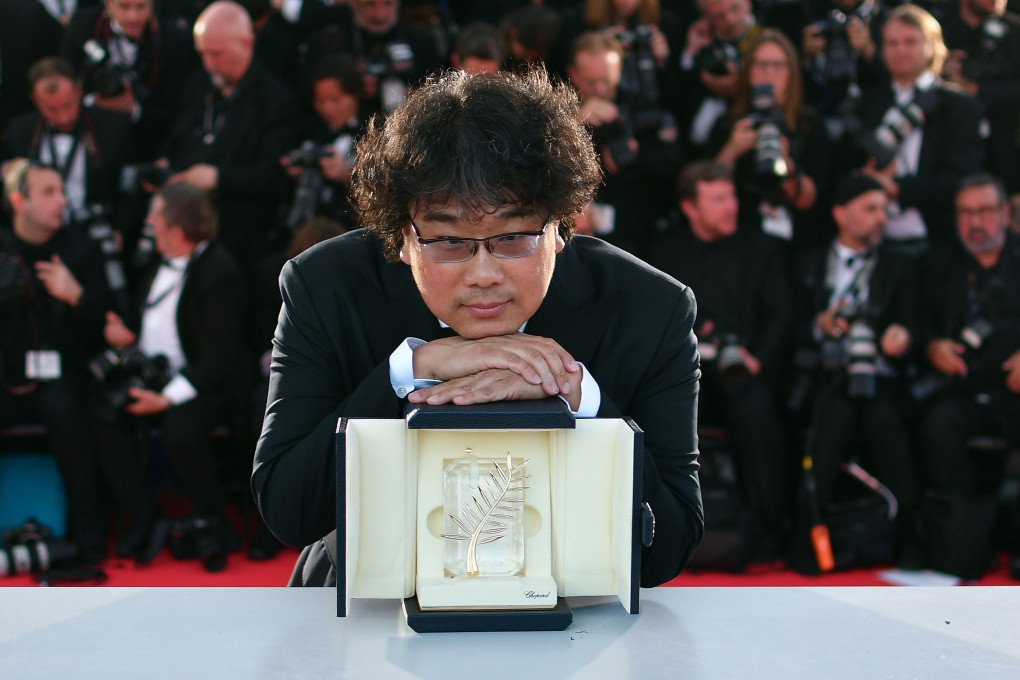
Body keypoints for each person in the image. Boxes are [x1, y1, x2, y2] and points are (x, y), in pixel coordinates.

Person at [253, 67, 704, 588]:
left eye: (513, 238)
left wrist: (582, 399)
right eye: (449, 242)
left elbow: (668, 548)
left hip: (570, 602)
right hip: (365, 595)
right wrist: (410, 368)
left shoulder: (650, 309)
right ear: (403, 236)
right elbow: (288, 510)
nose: (483, 274)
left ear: (561, 226)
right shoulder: (325, 286)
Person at [94, 182, 250, 569]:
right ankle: (142, 513)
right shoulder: (154, 263)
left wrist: (166, 398)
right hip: (155, 376)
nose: (148, 223)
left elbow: (220, 358)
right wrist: (124, 336)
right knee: (102, 413)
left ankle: (211, 515)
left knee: (180, 429)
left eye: (156, 217)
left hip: (208, 382)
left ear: (177, 231)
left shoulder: (220, 270)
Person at [645, 161, 793, 559]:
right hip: (684, 373)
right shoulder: (664, 254)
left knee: (757, 409)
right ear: (690, 208)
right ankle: (667, 532)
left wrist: (758, 358)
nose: (731, 207)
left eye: (731, 197)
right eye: (718, 199)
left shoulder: (762, 249)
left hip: (745, 372)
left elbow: (782, 314)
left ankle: (768, 528)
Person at [791, 173, 924, 569]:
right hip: (824, 377)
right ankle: (810, 541)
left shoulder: (901, 266)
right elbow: (786, 324)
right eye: (870, 209)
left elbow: (915, 322)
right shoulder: (808, 262)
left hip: (881, 377)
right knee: (830, 420)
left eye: (885, 209)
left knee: (885, 420)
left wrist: (902, 337)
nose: (881, 218)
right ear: (840, 213)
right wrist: (820, 324)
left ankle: (908, 538)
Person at [0, 159, 114, 564]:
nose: (61, 201)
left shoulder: (79, 247)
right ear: (19, 201)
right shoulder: (4, 248)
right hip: (7, 378)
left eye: (62, 191)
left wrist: (75, 297)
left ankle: (89, 542)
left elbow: (108, 325)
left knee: (67, 412)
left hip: (63, 375)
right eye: (48, 193)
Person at [916, 173, 1020, 577]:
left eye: (984, 212)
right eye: (965, 213)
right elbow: (919, 323)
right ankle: (964, 543)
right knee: (937, 427)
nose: (975, 222)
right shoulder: (939, 263)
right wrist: (933, 346)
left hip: (1013, 389)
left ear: (1004, 213)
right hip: (962, 389)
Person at [157, 0, 299, 268]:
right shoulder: (199, 85)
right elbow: (176, 136)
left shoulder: (275, 100)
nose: (208, 63)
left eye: (216, 54)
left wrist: (217, 178)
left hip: (237, 237)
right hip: (183, 225)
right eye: (202, 54)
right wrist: (164, 163)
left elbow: (273, 176)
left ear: (246, 43)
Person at [839, 4, 986, 251]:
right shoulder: (866, 105)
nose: (901, 50)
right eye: (892, 43)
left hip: (937, 244)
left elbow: (961, 181)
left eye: (910, 42)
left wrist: (899, 190)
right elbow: (844, 170)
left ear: (932, 46)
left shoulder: (962, 107)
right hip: (874, 246)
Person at [708, 29, 832, 249]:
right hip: (738, 241)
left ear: (791, 73)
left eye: (778, 66)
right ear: (747, 71)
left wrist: (788, 167)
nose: (769, 74)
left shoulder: (810, 125)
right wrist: (731, 151)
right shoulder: (728, 124)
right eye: (761, 65)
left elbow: (816, 200)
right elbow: (706, 194)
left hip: (798, 242)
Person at [566, 31, 685, 256]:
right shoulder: (559, 114)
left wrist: (637, 151)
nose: (601, 89)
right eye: (592, 82)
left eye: (607, 81)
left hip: (642, 232)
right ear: (573, 74)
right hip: (580, 239)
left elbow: (677, 162)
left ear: (619, 71)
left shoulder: (643, 106)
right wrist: (574, 126)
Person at [1, 58, 131, 235]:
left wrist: (120, 230)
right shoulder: (19, 131)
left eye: (68, 106)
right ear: (35, 99)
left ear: (78, 90)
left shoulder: (110, 128)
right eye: (52, 109)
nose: (64, 117)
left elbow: (125, 188)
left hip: (91, 233)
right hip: (35, 234)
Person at [59, 0, 199, 159]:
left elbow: (176, 108)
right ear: (108, 4)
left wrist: (134, 109)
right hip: (86, 137)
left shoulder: (173, 40)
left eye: (141, 7)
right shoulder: (85, 25)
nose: (133, 17)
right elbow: (65, 75)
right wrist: (91, 101)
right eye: (124, 7)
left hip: (144, 143)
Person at [938, 0, 1020, 197]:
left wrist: (976, 90)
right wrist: (939, 70)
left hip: (1006, 158)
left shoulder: (1016, 32)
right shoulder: (939, 29)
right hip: (949, 162)